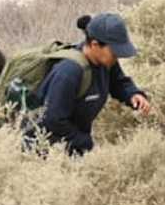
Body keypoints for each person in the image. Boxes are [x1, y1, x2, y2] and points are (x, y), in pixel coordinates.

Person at [29, 13, 151, 155]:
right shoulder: (69, 72)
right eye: (115, 51)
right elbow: (53, 120)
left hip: (71, 145)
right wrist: (86, 144)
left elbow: (118, 82)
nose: (117, 56)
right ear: (94, 45)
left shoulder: (106, 61)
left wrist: (132, 94)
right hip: (43, 151)